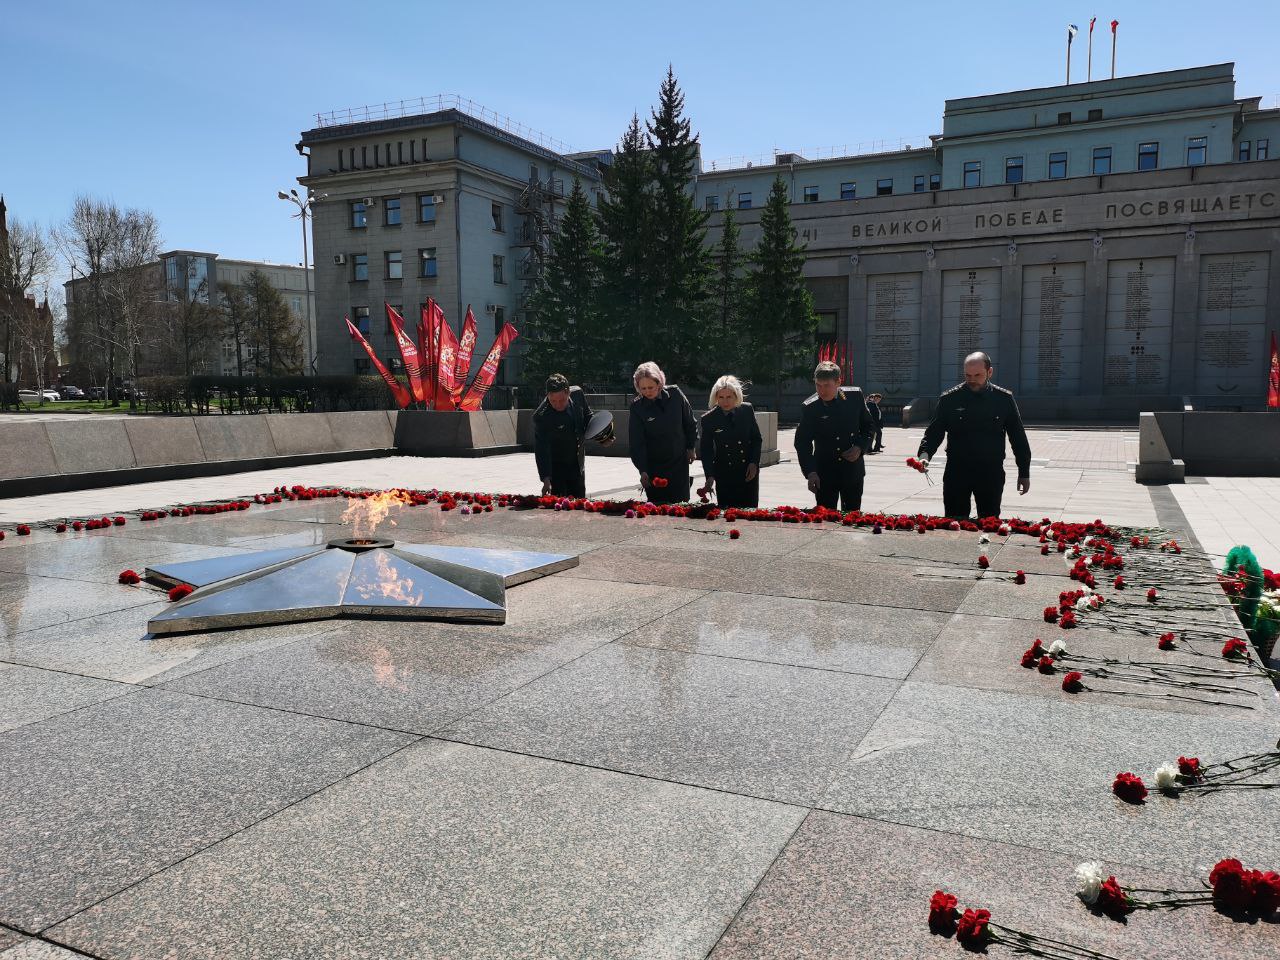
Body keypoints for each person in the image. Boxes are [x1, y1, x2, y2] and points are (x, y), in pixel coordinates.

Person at [917, 351, 1031, 519]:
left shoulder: (1003, 399)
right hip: (957, 471)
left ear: (989, 372)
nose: (972, 380)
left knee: (989, 522)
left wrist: (1024, 472)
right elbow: (934, 432)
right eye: (968, 375)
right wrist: (924, 455)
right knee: (954, 522)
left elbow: (1018, 437)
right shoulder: (950, 399)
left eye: (978, 375)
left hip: (990, 472)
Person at [795, 360, 874, 511]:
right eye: (818, 385)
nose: (821, 390)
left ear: (838, 382)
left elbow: (869, 426)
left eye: (826, 385)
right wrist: (810, 472)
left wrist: (860, 447)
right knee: (825, 518)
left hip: (852, 471)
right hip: (824, 473)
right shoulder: (810, 407)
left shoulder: (854, 397)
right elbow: (802, 443)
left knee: (852, 517)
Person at [629, 361, 697, 504]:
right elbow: (637, 442)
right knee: (658, 509)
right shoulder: (637, 407)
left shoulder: (676, 394)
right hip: (654, 466)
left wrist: (691, 447)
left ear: (659, 383)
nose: (647, 392)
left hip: (678, 461)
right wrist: (643, 470)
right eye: (643, 388)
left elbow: (690, 423)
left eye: (651, 387)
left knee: (680, 506)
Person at [699, 375, 762, 508]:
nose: (725, 402)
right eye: (721, 397)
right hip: (724, 474)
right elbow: (706, 450)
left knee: (749, 513)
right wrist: (709, 476)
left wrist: (754, 463)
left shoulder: (746, 410)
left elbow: (756, 439)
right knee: (728, 514)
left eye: (729, 397)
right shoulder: (709, 419)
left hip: (747, 472)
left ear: (736, 396)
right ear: (715, 397)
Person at [532, 373, 596, 498]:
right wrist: (546, 479)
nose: (557, 404)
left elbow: (588, 417)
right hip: (555, 466)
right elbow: (541, 449)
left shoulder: (577, 394)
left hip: (577, 462)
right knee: (559, 507)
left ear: (568, 393)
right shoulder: (541, 417)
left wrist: (603, 436)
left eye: (561, 400)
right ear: (547, 395)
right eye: (553, 401)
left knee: (579, 502)